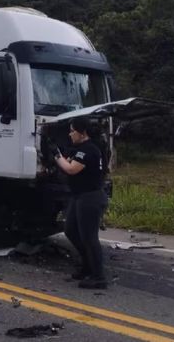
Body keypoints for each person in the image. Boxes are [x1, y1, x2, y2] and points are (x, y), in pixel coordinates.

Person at [54, 117, 108, 289]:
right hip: (79, 196)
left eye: (72, 131)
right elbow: (71, 161)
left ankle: (98, 276)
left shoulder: (88, 149)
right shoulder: (81, 149)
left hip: (90, 198)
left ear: (81, 132)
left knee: (89, 238)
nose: (70, 134)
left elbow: (71, 169)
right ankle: (87, 266)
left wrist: (56, 156)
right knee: (71, 230)